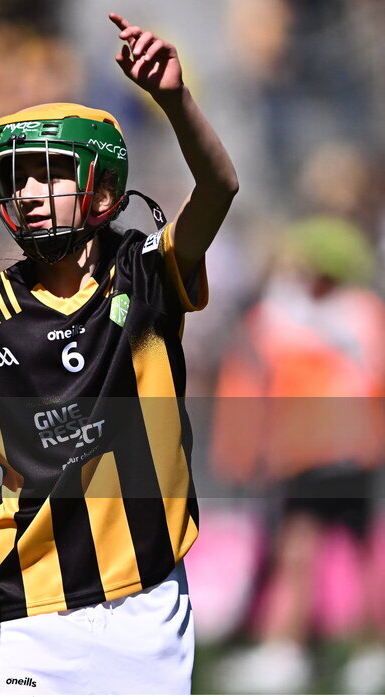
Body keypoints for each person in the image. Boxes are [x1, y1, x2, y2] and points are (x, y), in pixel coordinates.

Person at [0, 14, 237, 694]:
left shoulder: (149, 273)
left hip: (148, 603)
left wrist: (173, 101)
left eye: (47, 174)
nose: (26, 192)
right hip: (32, 607)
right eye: (16, 176)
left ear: (106, 191)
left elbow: (219, 188)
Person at [213, 216, 385, 694]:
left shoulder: (289, 314)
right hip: (354, 449)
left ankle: (284, 653)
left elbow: (264, 369)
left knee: (300, 551)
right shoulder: (366, 311)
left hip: (312, 450)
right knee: (361, 553)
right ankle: (369, 655)